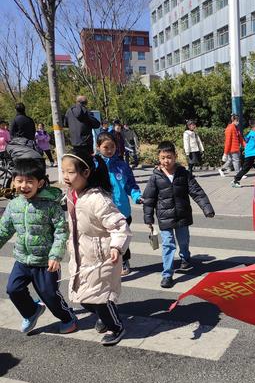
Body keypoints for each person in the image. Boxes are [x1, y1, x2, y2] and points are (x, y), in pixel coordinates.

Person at [61, 150, 132, 346]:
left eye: (70, 172)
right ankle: (106, 316)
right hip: (83, 255)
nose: (65, 177)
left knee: (99, 298)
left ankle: (116, 327)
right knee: (84, 298)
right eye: (63, 172)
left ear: (86, 173)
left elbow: (119, 225)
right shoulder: (73, 194)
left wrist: (117, 247)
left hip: (102, 257)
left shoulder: (98, 199)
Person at [0, 158, 77, 335]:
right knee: (13, 289)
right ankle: (31, 311)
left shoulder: (51, 206)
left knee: (49, 294)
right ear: (13, 182)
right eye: (19, 181)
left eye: (29, 182)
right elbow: (4, 229)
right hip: (22, 259)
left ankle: (68, 318)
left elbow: (61, 231)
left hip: (45, 262)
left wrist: (55, 255)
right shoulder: (14, 205)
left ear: (40, 183)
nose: (24, 186)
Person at [143, 141, 215, 288]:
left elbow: (197, 192)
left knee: (183, 241)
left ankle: (185, 257)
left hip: (182, 215)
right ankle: (167, 274)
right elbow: (149, 199)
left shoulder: (183, 173)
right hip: (164, 217)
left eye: (169, 157)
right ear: (158, 157)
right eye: (162, 157)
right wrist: (148, 218)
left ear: (175, 157)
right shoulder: (155, 177)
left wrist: (207, 208)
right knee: (168, 244)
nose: (165, 161)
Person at [95, 132, 142, 276]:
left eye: (112, 147)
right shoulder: (94, 166)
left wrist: (136, 196)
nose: (109, 150)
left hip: (122, 211)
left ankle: (124, 260)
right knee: (105, 239)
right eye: (106, 147)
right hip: (102, 211)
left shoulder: (122, 166)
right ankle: (105, 263)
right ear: (98, 147)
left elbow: (130, 185)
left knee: (122, 238)